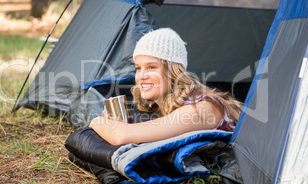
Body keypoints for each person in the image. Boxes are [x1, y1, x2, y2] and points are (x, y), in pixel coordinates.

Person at [89, 28, 242, 146]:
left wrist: (97, 121)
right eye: (138, 68)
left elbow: (121, 137)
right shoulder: (161, 106)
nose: (141, 76)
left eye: (151, 67)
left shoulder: (201, 109)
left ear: (173, 71)